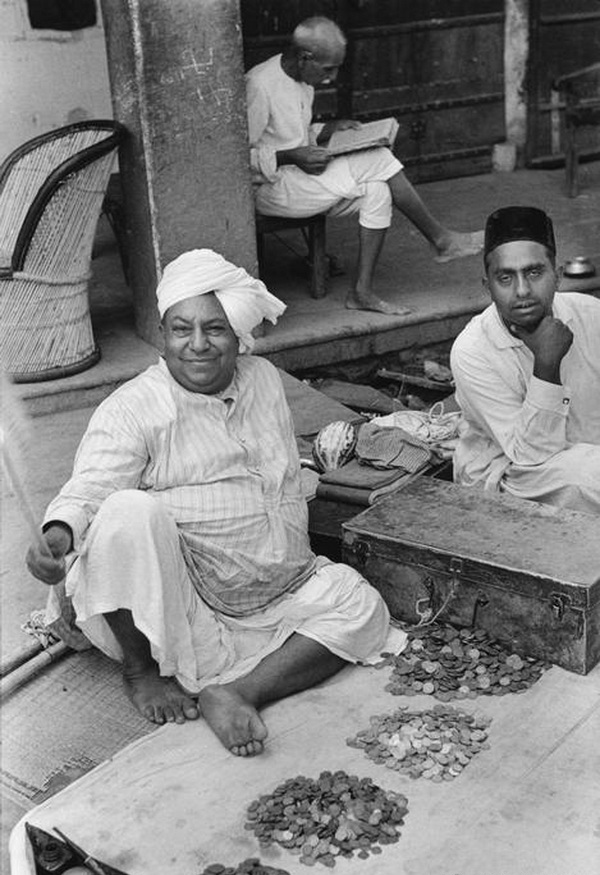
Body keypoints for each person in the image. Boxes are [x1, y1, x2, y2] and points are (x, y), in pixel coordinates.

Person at [26, 249, 406, 757]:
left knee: (362, 605)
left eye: (215, 329)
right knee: (125, 512)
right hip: (185, 608)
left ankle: (237, 691)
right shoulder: (134, 407)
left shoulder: (263, 378)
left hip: (281, 588)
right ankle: (141, 671)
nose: (198, 345)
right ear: (163, 335)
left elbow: (278, 473)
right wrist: (58, 536)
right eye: (182, 330)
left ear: (239, 336)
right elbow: (89, 490)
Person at [246, 15, 484, 316]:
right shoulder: (259, 84)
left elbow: (293, 133)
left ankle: (361, 292)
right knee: (379, 159)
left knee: (377, 190)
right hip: (269, 188)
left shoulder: (303, 80)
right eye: (328, 69)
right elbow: (238, 159)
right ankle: (441, 239)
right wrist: (292, 156)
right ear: (305, 57)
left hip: (299, 178)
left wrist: (330, 128)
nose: (332, 77)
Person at [450, 205, 600, 514]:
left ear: (557, 276)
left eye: (534, 272)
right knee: (586, 476)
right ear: (488, 287)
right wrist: (547, 363)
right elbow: (531, 454)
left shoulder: (590, 314)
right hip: (512, 473)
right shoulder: (472, 351)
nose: (522, 291)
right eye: (505, 277)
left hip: (587, 453)